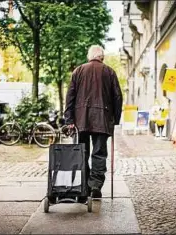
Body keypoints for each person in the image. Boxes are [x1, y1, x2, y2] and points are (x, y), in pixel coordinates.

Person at [64, 45, 123, 202]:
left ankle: (84, 188)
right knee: (99, 153)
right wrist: (115, 120)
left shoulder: (78, 71)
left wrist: (69, 120)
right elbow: (117, 97)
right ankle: (95, 186)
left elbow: (70, 97)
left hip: (80, 119)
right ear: (102, 57)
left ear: (88, 57)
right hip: (102, 119)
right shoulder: (109, 72)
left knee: (81, 152)